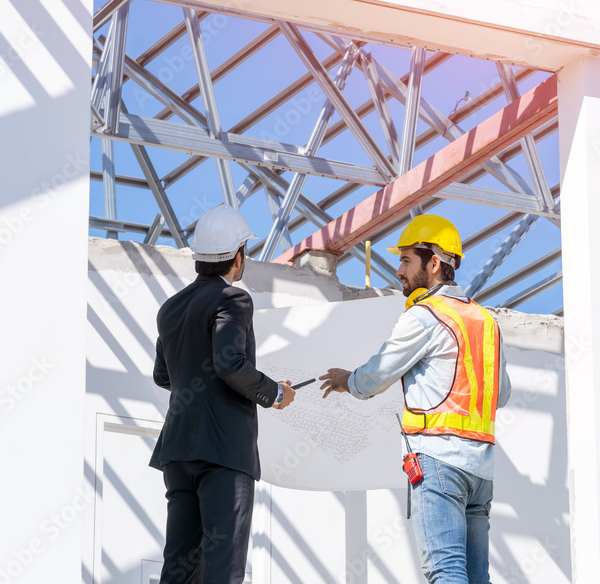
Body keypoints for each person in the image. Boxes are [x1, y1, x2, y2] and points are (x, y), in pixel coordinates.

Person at [319, 214, 511, 584]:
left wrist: (349, 381)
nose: (399, 270)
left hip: (438, 462)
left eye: (407, 260)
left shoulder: (425, 316)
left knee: (446, 571)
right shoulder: (486, 321)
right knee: (476, 575)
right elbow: (500, 395)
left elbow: (377, 375)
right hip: (480, 470)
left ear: (434, 263)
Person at [149, 204, 296, 584]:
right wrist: (275, 392)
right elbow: (229, 364)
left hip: (178, 453)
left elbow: (163, 376)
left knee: (179, 566)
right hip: (223, 451)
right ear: (238, 255)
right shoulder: (233, 298)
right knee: (222, 567)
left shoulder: (170, 309)